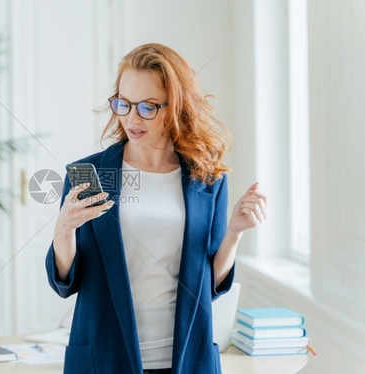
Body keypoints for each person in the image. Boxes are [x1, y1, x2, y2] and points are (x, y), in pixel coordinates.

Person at [45, 43, 268, 374]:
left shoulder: (206, 179)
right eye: (123, 104)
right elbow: (67, 281)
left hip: (186, 359)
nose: (132, 118)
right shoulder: (89, 175)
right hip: (106, 358)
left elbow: (210, 285)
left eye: (148, 106)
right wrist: (63, 229)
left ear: (176, 106)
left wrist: (234, 233)